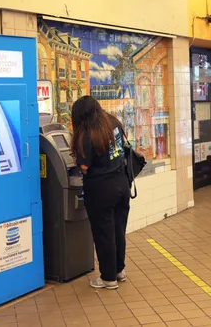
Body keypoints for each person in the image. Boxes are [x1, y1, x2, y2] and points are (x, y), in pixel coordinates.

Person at [71, 95, 131, 290]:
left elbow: (84, 166)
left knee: (104, 234)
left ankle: (108, 278)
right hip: (122, 184)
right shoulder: (113, 122)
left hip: (101, 189)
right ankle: (119, 270)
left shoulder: (87, 133)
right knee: (118, 229)